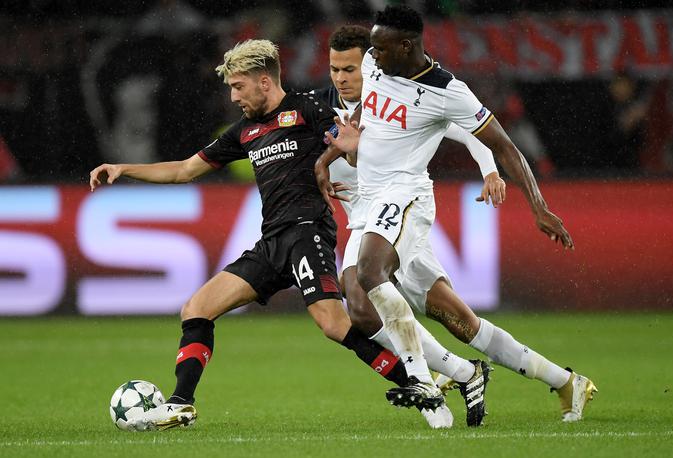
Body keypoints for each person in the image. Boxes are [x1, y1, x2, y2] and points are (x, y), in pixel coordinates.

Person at [88, 39, 478, 431]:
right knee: (196, 309)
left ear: (263, 81)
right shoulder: (243, 131)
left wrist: (348, 154)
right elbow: (184, 170)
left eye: (238, 86)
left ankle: (420, 386)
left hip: (307, 232)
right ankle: (181, 403)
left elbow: (355, 146)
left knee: (334, 325)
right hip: (272, 241)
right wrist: (124, 168)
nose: (233, 96)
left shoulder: (308, 110)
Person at [316, 8, 597, 423]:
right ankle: (564, 381)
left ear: (407, 46)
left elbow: (504, 145)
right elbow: (365, 112)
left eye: (379, 47)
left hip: (407, 197)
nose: (370, 56)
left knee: (369, 275)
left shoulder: (448, 92)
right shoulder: (377, 64)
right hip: (371, 207)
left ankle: (422, 383)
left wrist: (538, 205)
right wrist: (330, 156)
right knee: (450, 321)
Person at [315, 25, 501, 427]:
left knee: (444, 311)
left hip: (399, 209)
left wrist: (489, 171)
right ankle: (464, 372)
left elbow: (470, 133)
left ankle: (431, 380)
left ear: (371, 64)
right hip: (362, 219)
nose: (341, 78)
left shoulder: (396, 99)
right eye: (334, 69)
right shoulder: (326, 107)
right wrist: (322, 165)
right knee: (362, 312)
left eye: (350, 69)